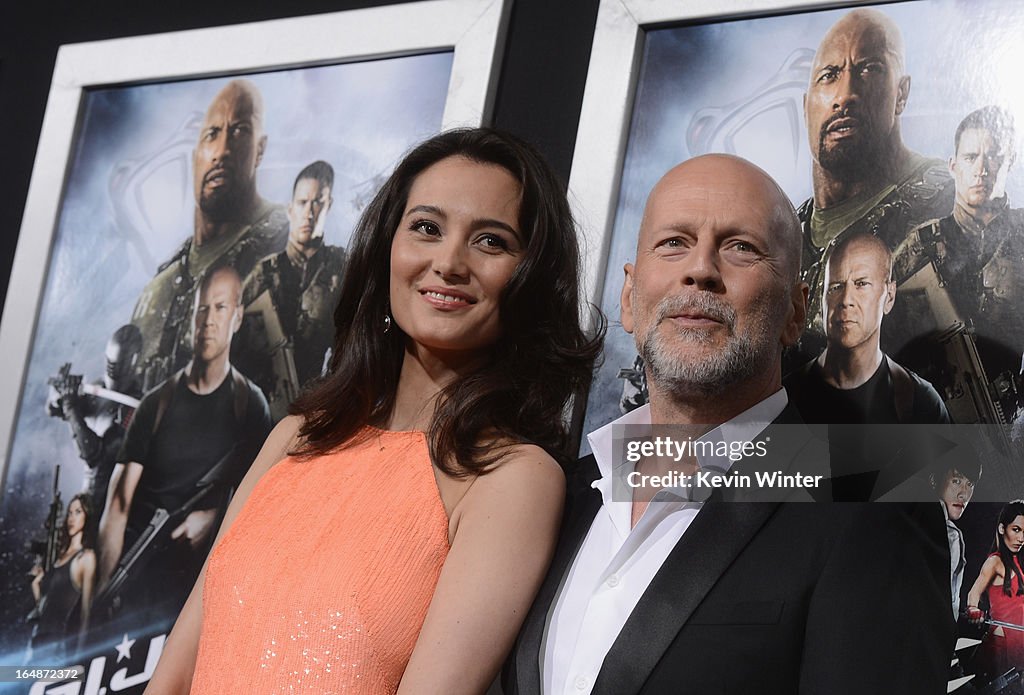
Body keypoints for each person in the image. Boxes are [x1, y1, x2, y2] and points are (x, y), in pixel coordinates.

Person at [143, 128, 603, 694]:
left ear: (529, 277)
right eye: (427, 228)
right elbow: (173, 674)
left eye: (491, 241)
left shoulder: (511, 478)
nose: (449, 262)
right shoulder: (295, 437)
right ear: (388, 246)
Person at [505, 154, 953, 694]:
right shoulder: (555, 499)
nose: (700, 270)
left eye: (741, 247)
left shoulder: (873, 509)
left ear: (795, 311)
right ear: (628, 296)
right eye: (673, 242)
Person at [98, 264, 272, 618]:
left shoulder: (250, 405)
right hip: (138, 578)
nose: (208, 320)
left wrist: (211, 518)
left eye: (220, 308)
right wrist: (96, 600)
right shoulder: (156, 404)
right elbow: (118, 505)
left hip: (196, 593)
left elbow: (258, 505)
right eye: (201, 308)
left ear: (237, 317)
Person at [796, 8, 953, 359]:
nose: (845, 94)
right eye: (829, 75)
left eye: (869, 69)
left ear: (902, 93)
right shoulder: (783, 238)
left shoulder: (951, 203)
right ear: (806, 108)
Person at [130, 79, 289, 391]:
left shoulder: (285, 243)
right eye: (211, 135)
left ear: (260, 149)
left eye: (240, 130)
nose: (222, 151)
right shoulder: (161, 284)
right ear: (195, 157)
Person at [893, 106, 1024, 422]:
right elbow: (879, 334)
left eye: (993, 157)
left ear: (1011, 162)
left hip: (1006, 423)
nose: (981, 169)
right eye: (970, 157)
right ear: (953, 166)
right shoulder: (920, 244)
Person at [785, 231, 949, 424]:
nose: (846, 301)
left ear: (889, 296)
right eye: (835, 287)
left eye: (861, 284)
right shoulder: (785, 397)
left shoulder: (920, 402)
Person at [237, 160, 346, 420]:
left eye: (318, 202)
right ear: (290, 210)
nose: (309, 213)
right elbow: (233, 348)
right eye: (302, 203)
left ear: (329, 205)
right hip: (258, 408)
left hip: (316, 409)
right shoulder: (262, 274)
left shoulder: (342, 269)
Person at [46, 325, 143, 513]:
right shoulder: (98, 387)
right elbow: (53, 410)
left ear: (133, 360)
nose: (113, 367)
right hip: (87, 497)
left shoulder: (134, 410)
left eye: (117, 363)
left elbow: (94, 456)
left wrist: (70, 406)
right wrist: (60, 392)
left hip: (109, 503)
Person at [28, 494, 97, 661]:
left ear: (87, 516)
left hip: (58, 647)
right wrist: (36, 586)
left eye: (78, 512)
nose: (72, 518)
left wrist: (79, 657)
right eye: (70, 513)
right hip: (38, 642)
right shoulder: (59, 558)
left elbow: (86, 613)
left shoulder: (86, 558)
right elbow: (45, 608)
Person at [967, 500, 1024, 683]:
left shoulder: (1015, 563)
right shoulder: (994, 562)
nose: (1021, 538)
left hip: (1018, 644)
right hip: (1002, 646)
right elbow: (973, 593)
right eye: (1016, 529)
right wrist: (972, 609)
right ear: (1002, 528)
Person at [929, 461, 980, 620]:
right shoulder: (949, 535)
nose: (963, 494)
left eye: (970, 484)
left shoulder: (951, 533)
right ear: (934, 480)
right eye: (956, 481)